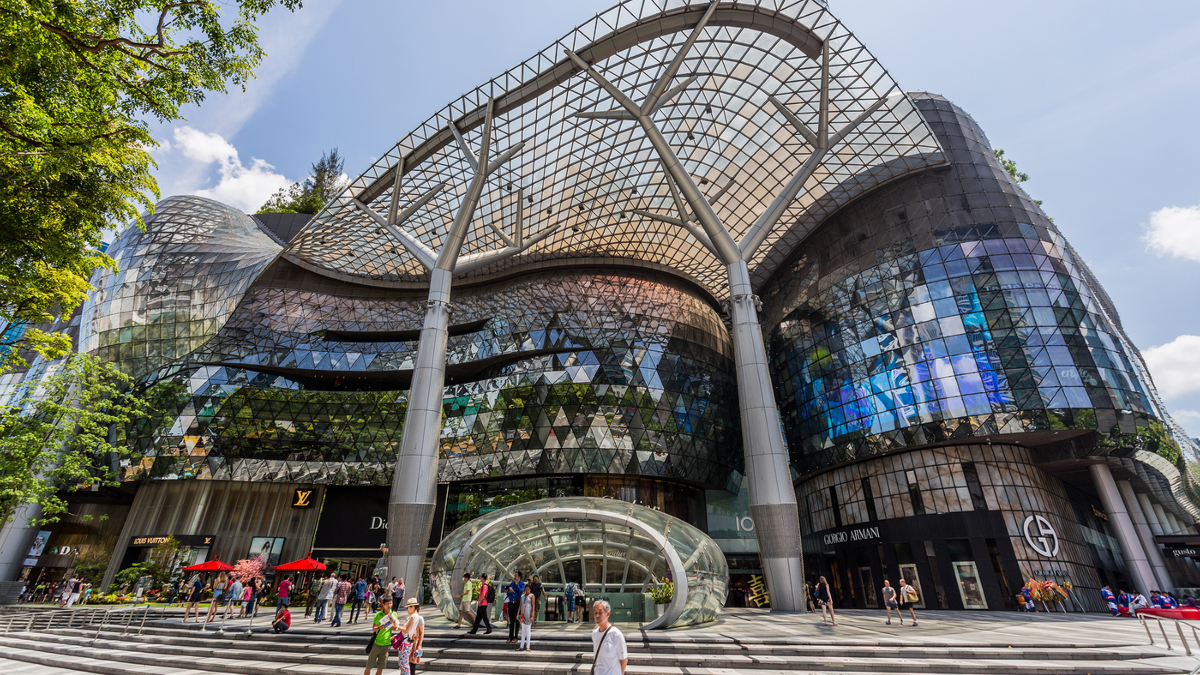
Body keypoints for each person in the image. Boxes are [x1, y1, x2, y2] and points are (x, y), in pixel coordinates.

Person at [590, 599, 628, 675]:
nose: (597, 616)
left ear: (608, 614)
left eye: (600, 613)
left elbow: (623, 660)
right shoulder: (594, 634)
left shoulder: (616, 634)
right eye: (595, 613)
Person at [365, 596, 398, 675]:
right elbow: (374, 628)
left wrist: (391, 622)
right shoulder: (378, 614)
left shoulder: (393, 614)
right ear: (383, 604)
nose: (389, 605)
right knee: (368, 667)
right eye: (387, 604)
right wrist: (379, 627)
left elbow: (394, 628)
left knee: (380, 668)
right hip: (376, 643)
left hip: (386, 644)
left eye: (390, 603)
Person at [399, 597, 425, 675]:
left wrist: (419, 645)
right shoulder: (409, 618)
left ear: (413, 607)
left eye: (408, 607)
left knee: (411, 665)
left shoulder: (419, 618)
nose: (407, 609)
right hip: (407, 643)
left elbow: (421, 632)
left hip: (414, 643)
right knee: (405, 665)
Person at [506, 572, 524, 643]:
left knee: (517, 620)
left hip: (517, 603)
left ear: (519, 577)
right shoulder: (511, 584)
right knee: (511, 621)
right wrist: (509, 592)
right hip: (511, 603)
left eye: (516, 576)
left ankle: (515, 637)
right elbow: (507, 593)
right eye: (514, 576)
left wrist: (517, 585)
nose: (514, 577)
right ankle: (510, 636)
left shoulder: (522, 584)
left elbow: (521, 592)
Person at [517, 584, 534, 652]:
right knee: (523, 631)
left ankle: (528, 645)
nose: (527, 591)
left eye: (528, 589)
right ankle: (521, 645)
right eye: (526, 589)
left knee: (528, 631)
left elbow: (533, 606)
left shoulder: (532, 596)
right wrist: (518, 614)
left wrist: (532, 616)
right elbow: (520, 606)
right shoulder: (522, 596)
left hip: (528, 614)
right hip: (523, 615)